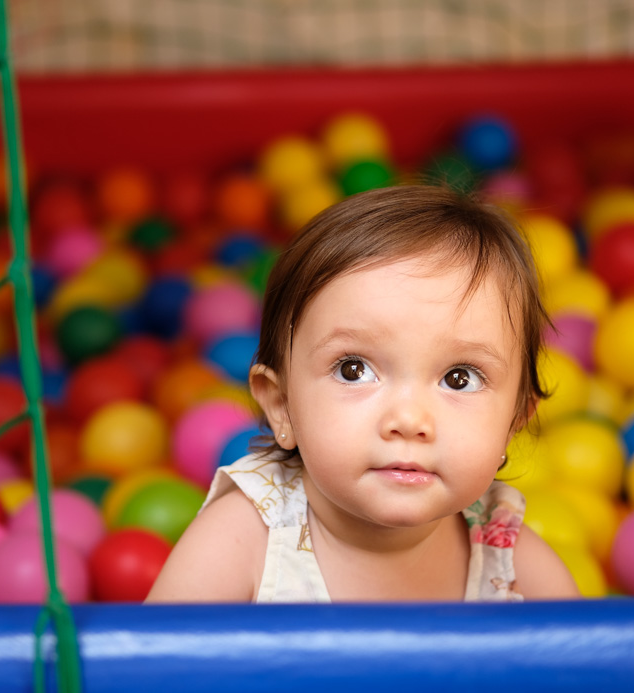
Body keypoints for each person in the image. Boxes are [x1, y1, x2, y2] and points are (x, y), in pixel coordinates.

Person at [147, 185, 579, 603]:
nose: (408, 419)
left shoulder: (515, 566)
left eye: (459, 378)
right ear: (281, 406)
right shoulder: (242, 543)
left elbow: (589, 651)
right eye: (353, 370)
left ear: (513, 423)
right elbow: (154, 653)